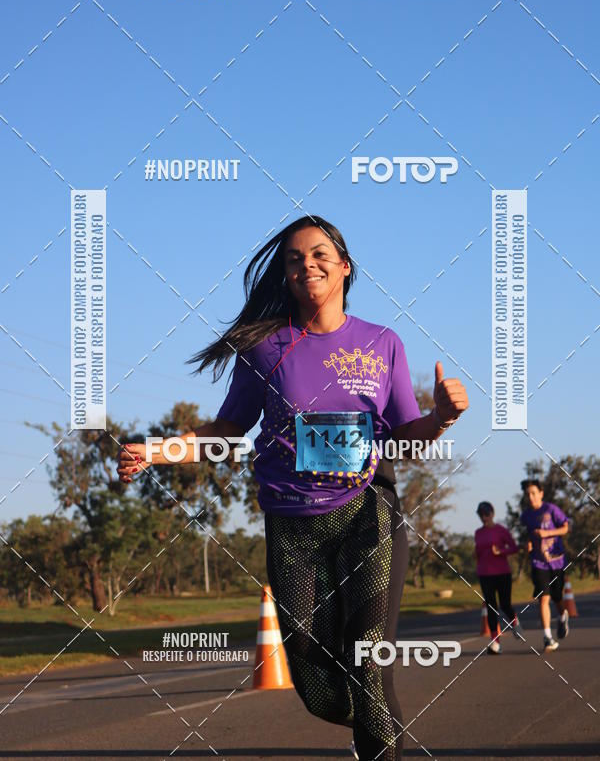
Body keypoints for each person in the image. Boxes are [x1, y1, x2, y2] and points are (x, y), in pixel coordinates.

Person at [117, 215, 469, 761]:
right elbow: (226, 429)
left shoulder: (382, 343)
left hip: (368, 512)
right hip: (293, 525)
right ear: (285, 274)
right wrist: (157, 451)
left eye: (320, 254)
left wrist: (441, 418)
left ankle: (377, 730)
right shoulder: (265, 347)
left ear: (345, 267)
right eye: (295, 259)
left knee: (370, 663)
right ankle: (365, 718)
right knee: (317, 684)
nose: (308, 265)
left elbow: (405, 439)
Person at [520, 479, 571, 653]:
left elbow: (565, 528)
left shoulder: (551, 509)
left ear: (541, 493)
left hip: (557, 561)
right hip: (538, 562)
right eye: (528, 494)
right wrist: (528, 543)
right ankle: (547, 637)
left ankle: (563, 615)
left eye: (534, 493)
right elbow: (529, 534)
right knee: (543, 598)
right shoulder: (526, 515)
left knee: (557, 597)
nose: (531, 497)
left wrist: (547, 533)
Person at [474, 501, 522, 654]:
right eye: (481, 514)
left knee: (505, 604)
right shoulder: (478, 533)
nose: (484, 517)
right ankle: (495, 643)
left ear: (492, 514)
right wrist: (476, 556)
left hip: (502, 573)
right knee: (491, 607)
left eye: (486, 514)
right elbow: (478, 552)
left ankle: (514, 622)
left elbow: (514, 548)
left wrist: (501, 551)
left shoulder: (501, 530)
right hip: (485, 574)